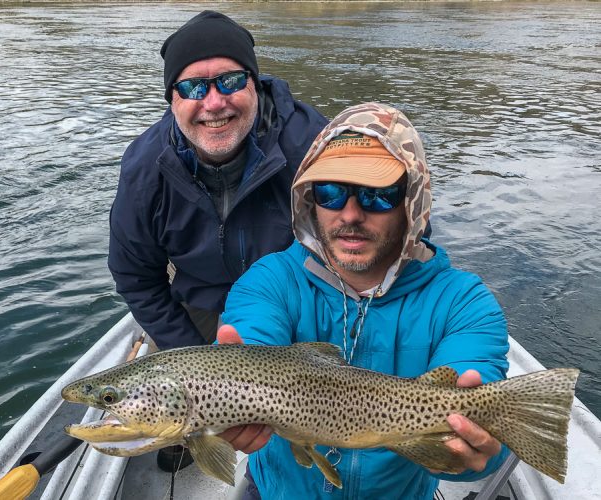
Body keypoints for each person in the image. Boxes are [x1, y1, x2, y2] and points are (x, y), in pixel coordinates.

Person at [218, 102, 510, 499]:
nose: (350, 213)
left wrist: (475, 450)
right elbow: (254, 340)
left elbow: (488, 433)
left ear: (412, 201)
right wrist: (235, 379)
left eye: (377, 194)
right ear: (309, 199)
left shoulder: (463, 302)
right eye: (331, 192)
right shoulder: (269, 281)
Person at [107, 10, 327, 472]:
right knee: (171, 410)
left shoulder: (312, 142)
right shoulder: (146, 168)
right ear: (171, 99)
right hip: (202, 301)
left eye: (229, 81)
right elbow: (136, 276)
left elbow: (379, 224)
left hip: (300, 296)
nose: (213, 102)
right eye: (191, 87)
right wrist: (200, 370)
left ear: (253, 81)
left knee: (316, 416)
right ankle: (194, 432)